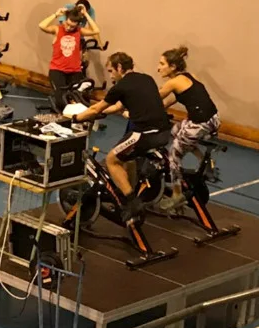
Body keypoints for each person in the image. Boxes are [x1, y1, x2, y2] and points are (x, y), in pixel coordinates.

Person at [69, 52, 171, 222]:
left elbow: (96, 109)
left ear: (119, 67)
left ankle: (132, 203)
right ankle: (128, 190)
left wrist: (75, 117)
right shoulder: (146, 79)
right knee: (128, 158)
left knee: (111, 160)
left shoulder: (121, 86)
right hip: (164, 132)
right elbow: (116, 107)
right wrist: (97, 112)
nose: (110, 76)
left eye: (111, 71)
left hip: (145, 134)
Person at [156, 46, 220, 212]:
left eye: (162, 64)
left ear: (173, 67)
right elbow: (170, 101)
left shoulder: (173, 82)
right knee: (175, 131)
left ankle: (177, 194)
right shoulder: (188, 76)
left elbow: (153, 98)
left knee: (174, 155)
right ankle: (205, 162)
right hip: (213, 119)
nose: (158, 68)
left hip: (200, 123)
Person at [38, 4, 101, 107]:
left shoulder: (79, 31)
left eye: (72, 26)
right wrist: (56, 14)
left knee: (80, 99)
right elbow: (41, 25)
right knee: (61, 100)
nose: (68, 28)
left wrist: (86, 14)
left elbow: (96, 31)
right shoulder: (57, 29)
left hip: (75, 71)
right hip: (57, 70)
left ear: (77, 25)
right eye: (67, 24)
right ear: (65, 20)